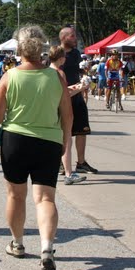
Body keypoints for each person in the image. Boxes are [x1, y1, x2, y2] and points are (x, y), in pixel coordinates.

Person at [0, 26, 72, 270]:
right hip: (49, 141)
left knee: (15, 196)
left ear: (19, 49)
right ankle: (47, 248)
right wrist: (65, 140)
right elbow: (67, 114)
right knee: (45, 198)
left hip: (15, 141)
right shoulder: (57, 77)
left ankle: (17, 243)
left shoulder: (10, 76)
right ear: (41, 48)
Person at [58, 26, 98, 175]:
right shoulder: (56, 53)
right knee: (62, 132)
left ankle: (81, 163)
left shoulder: (76, 53)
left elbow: (77, 71)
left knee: (82, 129)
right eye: (72, 36)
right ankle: (61, 163)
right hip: (61, 97)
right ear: (64, 38)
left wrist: (84, 78)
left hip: (77, 96)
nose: (76, 39)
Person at [49, 45, 86, 186]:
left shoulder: (47, 71)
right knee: (67, 142)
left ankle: (58, 170)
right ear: (60, 58)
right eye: (64, 56)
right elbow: (65, 95)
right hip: (61, 111)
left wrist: (75, 86)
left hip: (51, 110)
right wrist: (81, 88)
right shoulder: (60, 73)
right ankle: (69, 174)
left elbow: (60, 90)